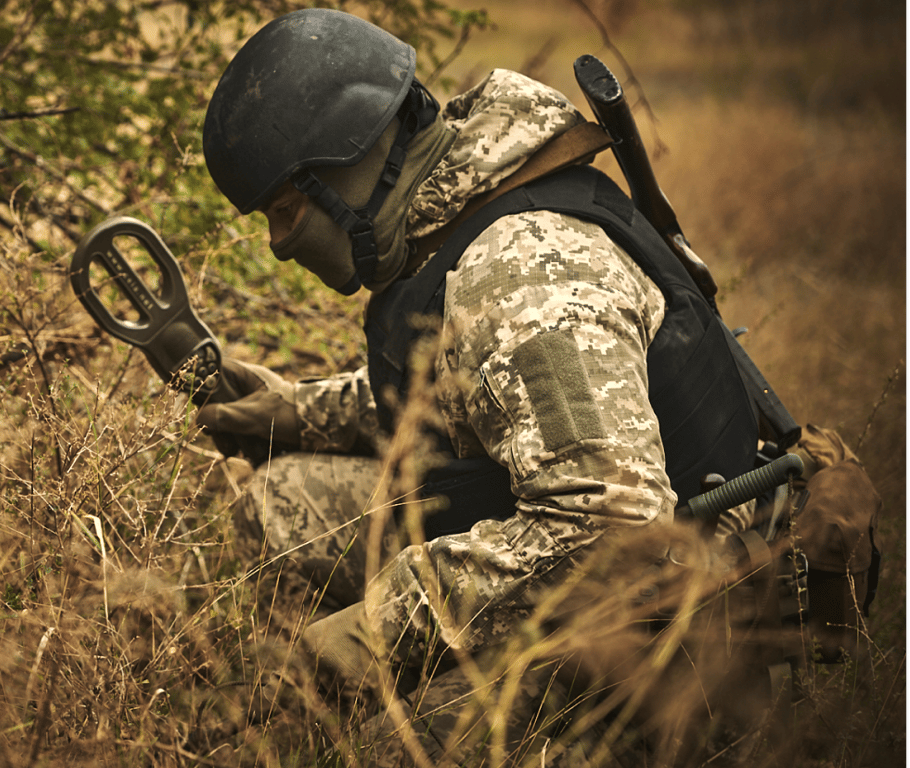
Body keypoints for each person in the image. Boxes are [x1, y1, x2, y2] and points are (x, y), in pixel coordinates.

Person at [193, 7, 773, 707]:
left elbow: (611, 531)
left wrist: (375, 632)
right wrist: (294, 408)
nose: (280, 242)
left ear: (347, 173)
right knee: (274, 506)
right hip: (550, 536)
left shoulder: (524, 270)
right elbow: (473, 388)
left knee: (386, 756)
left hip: (658, 633)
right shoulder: (463, 202)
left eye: (285, 211)